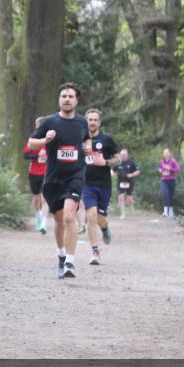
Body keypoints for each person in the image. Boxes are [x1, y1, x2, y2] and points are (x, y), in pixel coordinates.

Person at [28, 83, 91, 279]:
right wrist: (45, 141)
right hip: (53, 178)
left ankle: (70, 263)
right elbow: (31, 143)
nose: (67, 99)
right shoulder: (49, 122)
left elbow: (86, 139)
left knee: (69, 217)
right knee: (58, 221)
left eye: (70, 96)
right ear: (59, 99)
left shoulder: (82, 123)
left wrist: (87, 147)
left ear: (76, 100)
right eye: (63, 96)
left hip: (75, 176)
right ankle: (62, 256)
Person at [82, 109, 120, 265]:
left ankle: (104, 229)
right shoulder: (80, 140)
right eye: (90, 120)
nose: (92, 122)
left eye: (95, 120)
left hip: (104, 184)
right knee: (91, 215)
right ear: (86, 122)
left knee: (100, 219)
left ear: (99, 122)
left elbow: (118, 159)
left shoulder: (107, 139)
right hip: (87, 184)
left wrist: (105, 162)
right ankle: (95, 251)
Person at [22, 118, 48, 234]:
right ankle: (38, 217)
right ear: (36, 126)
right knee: (37, 198)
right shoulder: (33, 140)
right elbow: (26, 155)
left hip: (47, 173)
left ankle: (44, 222)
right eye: (39, 125)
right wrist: (38, 157)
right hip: (34, 172)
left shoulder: (50, 140)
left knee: (45, 198)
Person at [115, 148, 140, 219]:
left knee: (129, 199)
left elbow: (138, 171)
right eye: (121, 155)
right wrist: (111, 173)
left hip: (129, 182)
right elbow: (112, 170)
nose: (123, 156)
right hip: (121, 182)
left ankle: (125, 205)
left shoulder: (131, 162)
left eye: (124, 155)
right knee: (121, 197)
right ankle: (122, 214)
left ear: (127, 155)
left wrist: (132, 174)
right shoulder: (118, 162)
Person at [158, 148, 181, 218]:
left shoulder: (173, 161)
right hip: (163, 180)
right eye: (164, 153)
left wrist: (170, 169)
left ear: (169, 154)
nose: (166, 154)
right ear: (163, 154)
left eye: (167, 153)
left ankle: (171, 212)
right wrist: (161, 171)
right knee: (165, 194)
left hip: (171, 180)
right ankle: (165, 212)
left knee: (171, 196)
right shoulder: (161, 162)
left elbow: (178, 169)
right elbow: (159, 168)